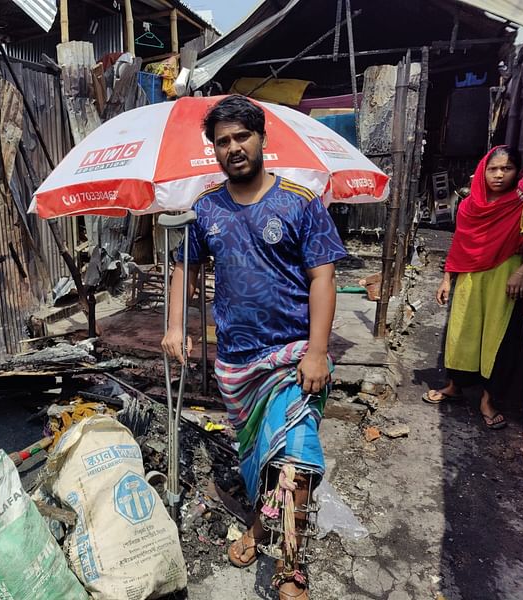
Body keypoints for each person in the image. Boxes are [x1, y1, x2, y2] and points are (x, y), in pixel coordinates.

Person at [160, 95, 347, 600]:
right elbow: (185, 270)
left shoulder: (298, 202)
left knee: (294, 459)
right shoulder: (206, 209)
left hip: (290, 355)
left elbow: (323, 278)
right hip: (237, 365)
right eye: (222, 141)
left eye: (242, 136)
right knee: (257, 457)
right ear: (214, 151)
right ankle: (263, 526)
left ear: (263, 139)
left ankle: (291, 569)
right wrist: (176, 324)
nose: (233, 148)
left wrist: (315, 350)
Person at [424, 145, 523, 429]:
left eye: (507, 169)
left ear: (517, 172)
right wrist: (447, 278)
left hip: (505, 276)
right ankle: (455, 386)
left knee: (495, 337)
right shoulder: (469, 206)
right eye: (493, 169)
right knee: (463, 330)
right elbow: (460, 242)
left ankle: (488, 398)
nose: (499, 175)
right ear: (483, 171)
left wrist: (522, 272)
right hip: (469, 276)